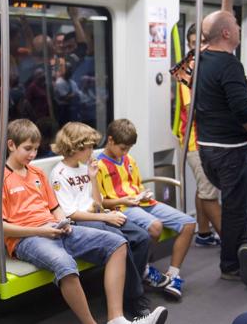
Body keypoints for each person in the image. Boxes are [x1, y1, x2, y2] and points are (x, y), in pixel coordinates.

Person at [0, 119, 167, 324]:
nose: (33, 155)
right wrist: (44, 231)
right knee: (65, 263)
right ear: (11, 145)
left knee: (118, 244)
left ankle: (116, 319)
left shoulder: (37, 173)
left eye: (36, 149)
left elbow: (55, 208)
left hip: (55, 228)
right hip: (27, 238)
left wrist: (63, 223)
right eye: (28, 149)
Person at [49, 122, 169, 319]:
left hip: (97, 214)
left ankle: (127, 291)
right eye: (89, 147)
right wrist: (105, 216)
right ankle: (134, 297)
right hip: (82, 221)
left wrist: (93, 178)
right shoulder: (59, 173)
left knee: (142, 237)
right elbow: (71, 214)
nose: (92, 151)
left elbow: (96, 202)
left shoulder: (83, 168)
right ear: (76, 147)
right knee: (120, 239)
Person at [195, 10, 247, 289]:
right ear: (226, 34)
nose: (237, 28)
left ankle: (244, 246)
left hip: (207, 148)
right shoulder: (229, 64)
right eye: (235, 25)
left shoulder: (199, 59)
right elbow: (241, 107)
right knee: (237, 207)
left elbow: (215, 24)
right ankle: (232, 264)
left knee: (243, 201)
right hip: (231, 149)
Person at [97, 119, 196, 300]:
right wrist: (125, 199)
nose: (125, 153)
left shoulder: (129, 160)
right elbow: (100, 203)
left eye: (128, 148)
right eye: (122, 148)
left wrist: (144, 194)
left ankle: (173, 275)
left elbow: (136, 186)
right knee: (155, 226)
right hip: (121, 206)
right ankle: (144, 270)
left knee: (188, 224)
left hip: (141, 203)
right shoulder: (98, 166)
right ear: (110, 140)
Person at [175, 23, 223, 247]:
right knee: (209, 193)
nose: (199, 48)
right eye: (194, 44)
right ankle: (231, 241)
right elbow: (195, 106)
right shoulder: (188, 70)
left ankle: (203, 233)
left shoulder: (207, 66)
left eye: (202, 43)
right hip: (197, 139)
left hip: (207, 137)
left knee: (204, 188)